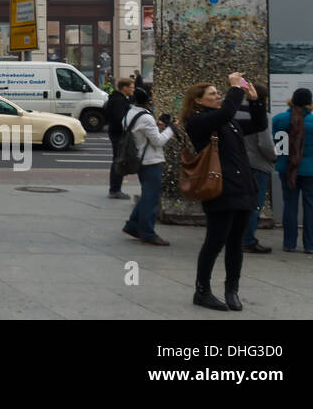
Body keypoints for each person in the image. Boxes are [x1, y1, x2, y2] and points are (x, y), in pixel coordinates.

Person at [182, 73, 266, 312]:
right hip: (219, 189)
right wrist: (235, 89)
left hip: (242, 189)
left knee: (235, 243)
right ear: (198, 101)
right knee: (215, 241)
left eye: (219, 93)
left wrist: (256, 101)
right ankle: (202, 291)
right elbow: (226, 111)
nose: (218, 96)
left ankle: (232, 290)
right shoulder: (197, 121)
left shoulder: (227, 121)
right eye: (213, 94)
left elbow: (259, 124)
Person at [271, 87, 313, 254]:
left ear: (292, 100)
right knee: (311, 206)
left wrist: (285, 161)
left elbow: (279, 147)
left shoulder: (279, 120)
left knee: (290, 205)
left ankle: (289, 243)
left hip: (288, 169)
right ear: (310, 103)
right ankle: (311, 245)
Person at [119, 87, 173, 245]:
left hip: (138, 159)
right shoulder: (146, 117)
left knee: (147, 196)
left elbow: (142, 133)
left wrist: (156, 127)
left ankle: (132, 225)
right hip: (150, 161)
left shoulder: (130, 113)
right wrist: (171, 129)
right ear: (149, 100)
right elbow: (158, 141)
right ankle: (148, 233)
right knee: (151, 198)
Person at [238, 82, 276, 254]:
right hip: (258, 164)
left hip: (239, 162)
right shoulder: (262, 115)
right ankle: (248, 240)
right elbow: (265, 143)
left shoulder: (237, 112)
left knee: (241, 204)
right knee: (254, 205)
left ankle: (237, 237)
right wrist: (274, 158)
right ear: (265, 98)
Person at [103, 78, 135, 200]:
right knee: (118, 160)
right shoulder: (119, 101)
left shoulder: (115, 98)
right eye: (131, 87)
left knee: (117, 159)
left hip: (114, 133)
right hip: (119, 134)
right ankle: (115, 189)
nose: (133, 89)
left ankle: (115, 189)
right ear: (124, 88)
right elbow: (120, 119)